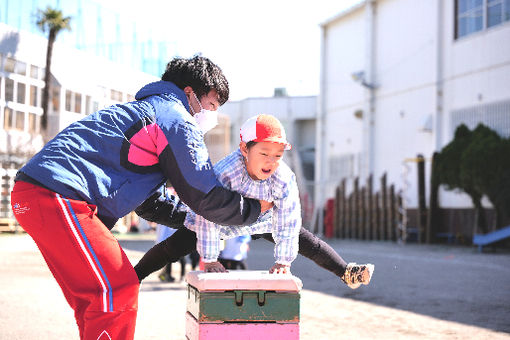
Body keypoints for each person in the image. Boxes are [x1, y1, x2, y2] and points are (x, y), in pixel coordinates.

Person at [10, 55, 273, 340]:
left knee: (97, 299)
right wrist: (253, 209)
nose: (211, 115)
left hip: (36, 194)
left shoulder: (147, 113)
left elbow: (150, 203)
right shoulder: (176, 119)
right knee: (117, 290)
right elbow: (203, 192)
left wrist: (193, 221)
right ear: (190, 94)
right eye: (211, 105)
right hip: (58, 194)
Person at [134, 114, 374, 289]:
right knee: (173, 247)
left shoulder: (284, 178)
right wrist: (209, 258)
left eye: (278, 155)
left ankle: (346, 272)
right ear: (244, 149)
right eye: (264, 153)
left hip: (264, 221)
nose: (271, 161)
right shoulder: (225, 172)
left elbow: (289, 221)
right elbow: (207, 214)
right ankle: (132, 278)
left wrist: (283, 261)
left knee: (308, 241)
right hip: (221, 220)